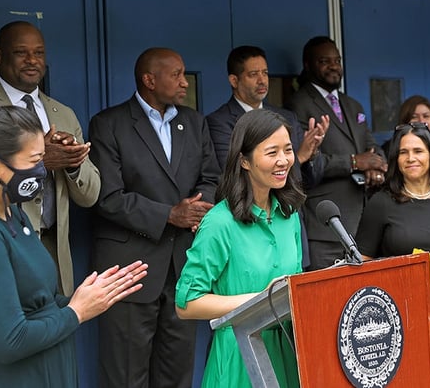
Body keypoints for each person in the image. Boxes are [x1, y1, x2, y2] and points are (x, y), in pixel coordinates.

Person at [0, 106, 146, 388]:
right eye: (34, 161)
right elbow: (10, 341)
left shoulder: (12, 211)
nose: (42, 171)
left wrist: (92, 296)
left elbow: (39, 303)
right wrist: (77, 312)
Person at [0, 20, 100, 297]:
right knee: (7, 337)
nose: (32, 60)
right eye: (21, 52)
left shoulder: (63, 114)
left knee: (56, 337)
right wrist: (39, 163)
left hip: (53, 255)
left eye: (39, 53)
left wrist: (72, 164)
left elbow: (90, 196)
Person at [88, 47, 220, 388]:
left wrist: (196, 208)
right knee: (126, 376)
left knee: (177, 374)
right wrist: (169, 215)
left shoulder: (193, 122)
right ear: (149, 80)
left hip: (183, 267)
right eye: (175, 74)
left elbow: (211, 177)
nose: (184, 83)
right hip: (130, 270)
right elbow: (107, 197)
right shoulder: (109, 124)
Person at [176, 109, 304, 387]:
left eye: (288, 150)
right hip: (240, 357)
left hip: (290, 354)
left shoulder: (289, 214)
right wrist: (261, 300)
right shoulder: (219, 223)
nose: (283, 161)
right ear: (244, 161)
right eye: (272, 153)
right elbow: (186, 304)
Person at [356, 122, 430, 387]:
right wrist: (429, 273)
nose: (411, 158)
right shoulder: (381, 203)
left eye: (418, 151)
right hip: (399, 320)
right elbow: (362, 265)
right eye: (403, 152)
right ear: (395, 159)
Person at [205, 45, 328, 267]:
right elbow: (231, 170)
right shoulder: (219, 121)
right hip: (246, 223)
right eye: (253, 74)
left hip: (287, 221)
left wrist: (310, 155)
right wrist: (297, 158)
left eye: (265, 73)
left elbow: (304, 182)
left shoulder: (286, 117)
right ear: (234, 80)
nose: (262, 80)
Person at [286, 36, 387, 270]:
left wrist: (375, 167)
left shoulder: (353, 105)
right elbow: (307, 160)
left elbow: (372, 147)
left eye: (337, 60)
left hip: (362, 223)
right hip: (325, 229)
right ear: (308, 65)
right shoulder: (297, 105)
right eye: (324, 61)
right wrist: (354, 162)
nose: (334, 66)